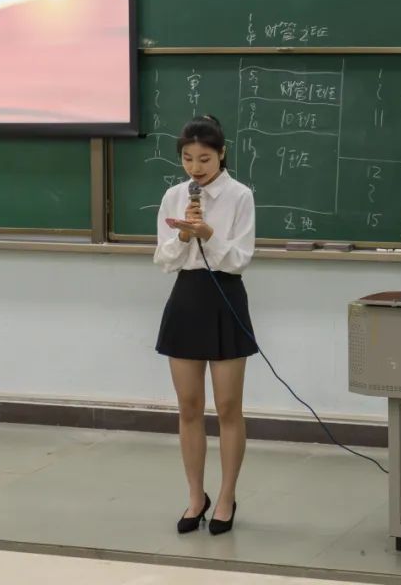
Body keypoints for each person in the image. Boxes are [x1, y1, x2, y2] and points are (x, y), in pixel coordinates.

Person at [154, 115, 257, 535]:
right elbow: (163, 260)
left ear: (222, 154)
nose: (195, 168)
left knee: (228, 407)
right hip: (186, 298)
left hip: (225, 298)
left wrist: (209, 233)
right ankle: (196, 497)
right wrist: (182, 237)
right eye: (187, 159)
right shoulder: (175, 196)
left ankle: (227, 497)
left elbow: (240, 259)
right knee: (189, 407)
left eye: (204, 159)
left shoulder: (240, 195)